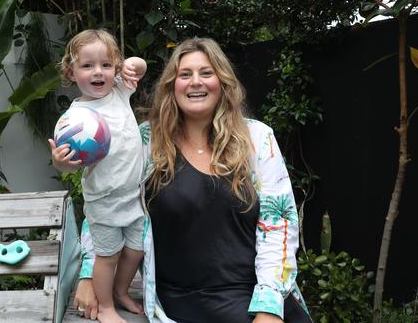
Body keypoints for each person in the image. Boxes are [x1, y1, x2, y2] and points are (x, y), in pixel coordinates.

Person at [72, 37, 312, 323]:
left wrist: (269, 307)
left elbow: (279, 224)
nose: (195, 82)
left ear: (222, 82)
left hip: (257, 297)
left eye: (206, 73)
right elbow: (107, 200)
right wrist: (89, 273)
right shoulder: (146, 141)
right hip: (184, 302)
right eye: (185, 74)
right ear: (172, 85)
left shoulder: (257, 138)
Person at [49, 29, 148, 323]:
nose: (98, 72)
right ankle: (106, 307)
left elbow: (140, 66)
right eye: (87, 65)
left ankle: (120, 292)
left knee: (136, 248)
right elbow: (70, 165)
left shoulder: (120, 90)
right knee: (107, 256)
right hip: (104, 199)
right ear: (71, 71)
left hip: (134, 194)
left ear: (115, 67)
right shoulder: (74, 118)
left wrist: (134, 65)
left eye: (106, 65)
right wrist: (60, 163)